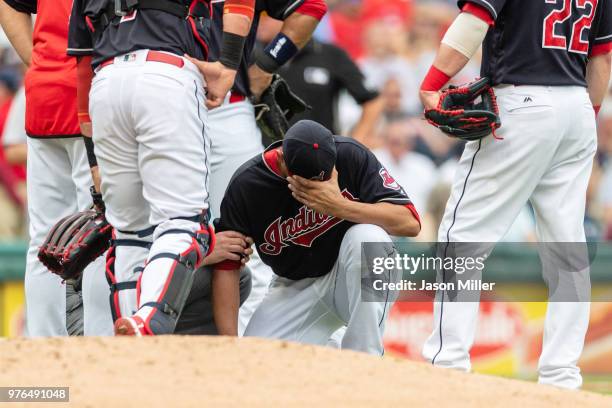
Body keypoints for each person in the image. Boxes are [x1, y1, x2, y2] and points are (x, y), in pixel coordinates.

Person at [418, 0, 612, 389]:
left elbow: (475, 19)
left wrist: (432, 83)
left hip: (521, 102)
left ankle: (447, 364)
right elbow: (602, 58)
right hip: (577, 104)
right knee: (568, 248)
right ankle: (562, 376)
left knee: (463, 234)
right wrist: (580, 122)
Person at [67, 0, 257, 335]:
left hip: (106, 82)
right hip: (166, 73)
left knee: (128, 233)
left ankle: (131, 336)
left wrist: (92, 156)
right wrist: (228, 64)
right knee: (185, 222)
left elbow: (83, 66)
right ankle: (145, 323)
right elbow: (240, 4)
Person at [214, 120, 421, 354]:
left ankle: (365, 359)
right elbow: (227, 264)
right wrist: (229, 344)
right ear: (282, 160)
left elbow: (410, 223)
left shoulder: (350, 154)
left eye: (326, 175)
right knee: (254, 358)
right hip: (296, 286)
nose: (320, 183)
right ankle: (328, 348)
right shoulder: (248, 184)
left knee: (368, 238)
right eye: (310, 180)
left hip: (349, 278)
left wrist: (340, 206)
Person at [203, 0, 326, 334]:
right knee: (161, 233)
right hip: (169, 109)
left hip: (224, 110)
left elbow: (310, 7)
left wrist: (267, 63)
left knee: (243, 237)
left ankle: (249, 351)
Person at [0, 0, 111, 336]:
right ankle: (99, 341)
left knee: (43, 238)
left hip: (44, 92)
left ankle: (44, 344)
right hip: (86, 93)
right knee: (99, 231)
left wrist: (41, 62)